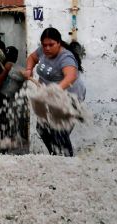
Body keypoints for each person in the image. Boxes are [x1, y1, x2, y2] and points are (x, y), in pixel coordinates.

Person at [23, 27, 86, 157]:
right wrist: (29, 69)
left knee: (59, 131)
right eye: (44, 45)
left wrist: (54, 90)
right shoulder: (43, 51)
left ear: (58, 43)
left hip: (70, 97)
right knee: (42, 129)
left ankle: (66, 162)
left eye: (51, 45)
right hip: (50, 97)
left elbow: (71, 77)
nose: (47, 48)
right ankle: (56, 158)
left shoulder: (65, 57)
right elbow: (32, 58)